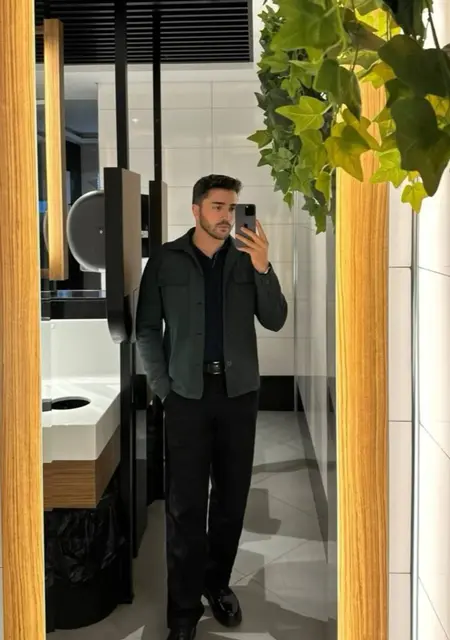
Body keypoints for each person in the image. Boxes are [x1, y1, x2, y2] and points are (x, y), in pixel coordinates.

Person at [136, 174, 288, 640]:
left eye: (232, 208)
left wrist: (263, 266)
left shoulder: (246, 257)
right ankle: (183, 613)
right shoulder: (165, 260)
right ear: (196, 210)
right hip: (186, 396)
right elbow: (146, 329)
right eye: (218, 207)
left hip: (238, 396)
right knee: (184, 507)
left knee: (231, 500)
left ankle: (216, 584)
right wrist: (164, 389)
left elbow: (275, 319)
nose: (226, 216)